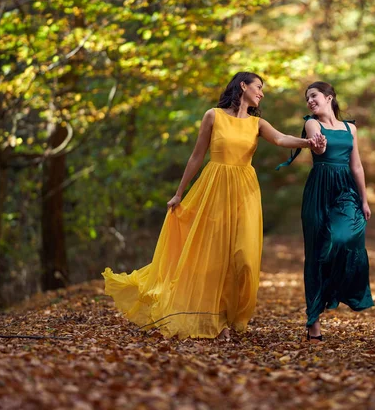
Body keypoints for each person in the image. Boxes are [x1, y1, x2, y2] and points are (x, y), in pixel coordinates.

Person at [102, 72, 324, 340]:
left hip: (245, 191)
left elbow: (280, 139)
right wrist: (179, 193)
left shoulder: (257, 123)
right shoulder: (213, 116)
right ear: (243, 86)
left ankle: (232, 315)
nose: (261, 93)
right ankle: (217, 322)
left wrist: (308, 143)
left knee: (244, 259)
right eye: (258, 87)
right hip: (214, 188)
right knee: (215, 255)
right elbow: (197, 156)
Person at [277, 81, 374, 342]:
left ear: (329, 97)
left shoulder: (350, 128)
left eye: (314, 96)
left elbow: (357, 167)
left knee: (345, 238)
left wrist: (364, 200)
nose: (309, 101)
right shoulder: (312, 123)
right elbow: (316, 145)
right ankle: (314, 322)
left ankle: (337, 287)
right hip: (319, 191)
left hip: (345, 190)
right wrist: (317, 146)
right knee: (316, 253)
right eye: (307, 98)